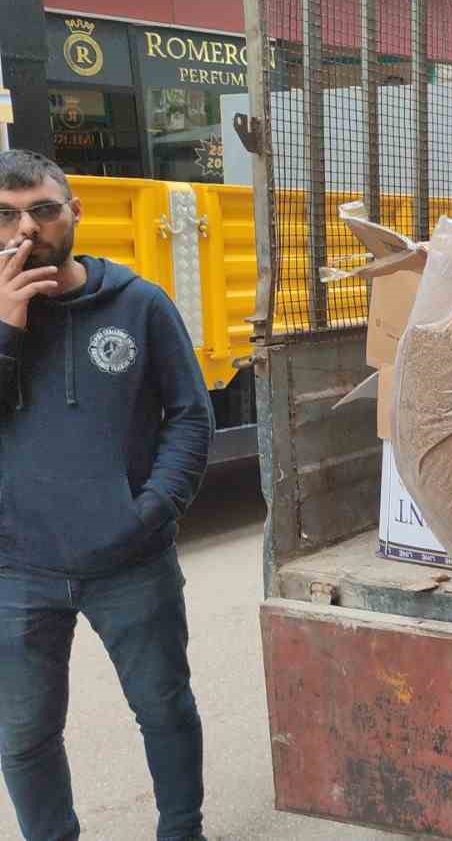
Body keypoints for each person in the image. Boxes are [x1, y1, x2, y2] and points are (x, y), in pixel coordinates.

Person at [0, 149, 213, 841]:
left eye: (42, 210)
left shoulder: (140, 304)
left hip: (130, 562)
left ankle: (181, 831)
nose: (25, 231)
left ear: (74, 214)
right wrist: (7, 329)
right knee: (25, 734)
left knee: (164, 708)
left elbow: (190, 415)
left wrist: (149, 513)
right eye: (5, 216)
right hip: (17, 568)